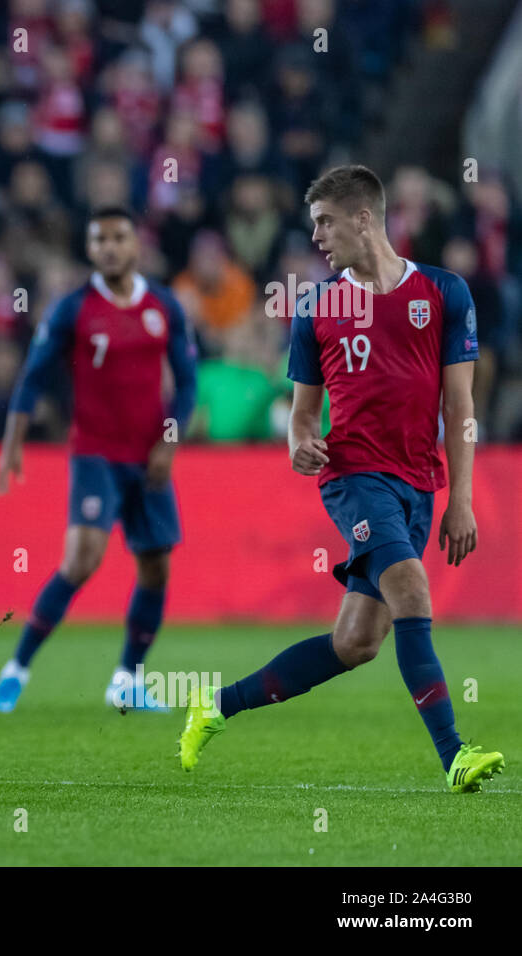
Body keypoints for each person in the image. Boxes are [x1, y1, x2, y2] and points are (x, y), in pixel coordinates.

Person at [179, 165, 504, 793]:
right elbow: (302, 415)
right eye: (313, 225)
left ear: (364, 218)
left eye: (326, 222)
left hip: (418, 483)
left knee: (356, 642)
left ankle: (215, 705)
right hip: (352, 477)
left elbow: (459, 409)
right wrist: (301, 445)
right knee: (411, 592)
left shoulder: (444, 293)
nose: (318, 237)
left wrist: (459, 499)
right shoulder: (317, 306)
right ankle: (454, 756)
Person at [0, 207, 197, 713]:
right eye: (99, 239)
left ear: (135, 244)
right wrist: (12, 442)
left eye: (118, 237)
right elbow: (33, 376)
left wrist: (169, 442)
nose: (109, 247)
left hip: (148, 458)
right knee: (81, 561)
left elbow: (187, 383)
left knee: (156, 568)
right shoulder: (72, 309)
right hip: (95, 452)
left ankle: (126, 679)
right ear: (89, 248)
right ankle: (15, 670)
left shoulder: (165, 306)